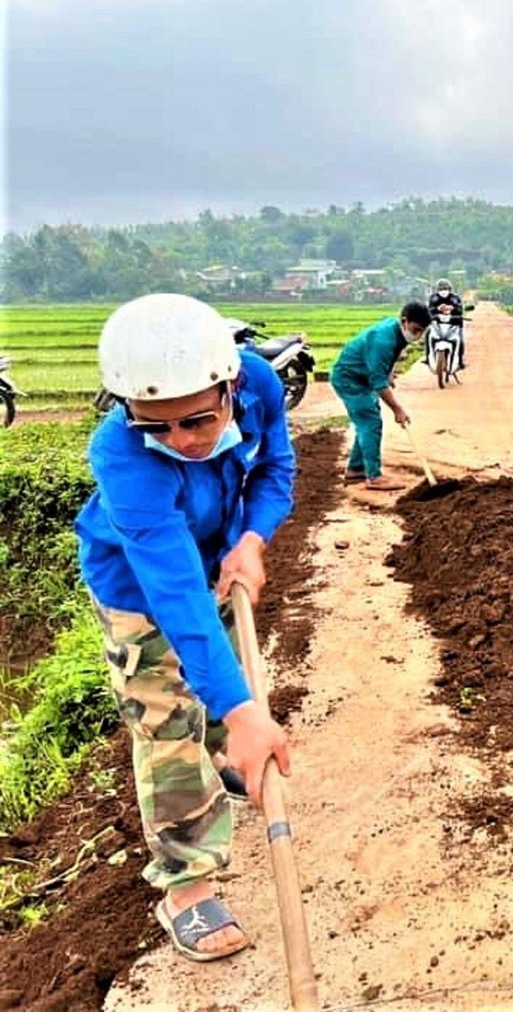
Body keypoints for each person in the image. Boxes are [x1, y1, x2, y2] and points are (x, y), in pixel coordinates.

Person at [75, 293, 296, 963]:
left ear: (229, 384)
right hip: (138, 584)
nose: (181, 441)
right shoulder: (120, 456)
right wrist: (245, 709)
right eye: (156, 427)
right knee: (166, 716)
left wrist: (253, 538)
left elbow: (275, 471)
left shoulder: (259, 382)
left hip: (216, 551)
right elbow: (172, 592)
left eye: (196, 420)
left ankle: (228, 753)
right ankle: (186, 886)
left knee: (221, 671)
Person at [330, 302, 430, 491]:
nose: (417, 335)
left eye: (422, 332)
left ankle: (356, 469)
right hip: (349, 379)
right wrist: (397, 409)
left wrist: (389, 372)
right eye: (415, 330)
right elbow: (378, 383)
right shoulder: (383, 339)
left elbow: (394, 354)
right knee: (370, 422)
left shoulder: (397, 332)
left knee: (367, 421)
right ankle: (374, 477)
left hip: (361, 377)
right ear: (404, 321)